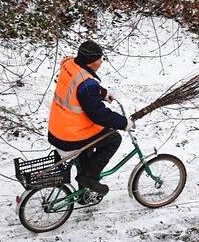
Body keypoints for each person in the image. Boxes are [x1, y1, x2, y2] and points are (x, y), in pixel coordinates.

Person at [48, 40, 135, 195]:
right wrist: (123, 123)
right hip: (69, 135)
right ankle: (89, 177)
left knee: (91, 140)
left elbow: (82, 89)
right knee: (113, 138)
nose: (101, 62)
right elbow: (98, 115)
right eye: (98, 59)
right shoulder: (86, 85)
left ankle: (83, 193)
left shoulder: (69, 65)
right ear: (89, 62)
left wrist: (101, 93)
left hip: (57, 129)